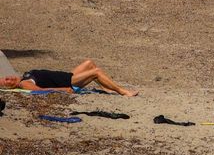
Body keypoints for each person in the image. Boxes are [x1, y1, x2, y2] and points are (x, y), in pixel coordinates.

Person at [1, 59, 138, 97]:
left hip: (67, 76)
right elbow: (40, 91)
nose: (9, 79)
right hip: (67, 82)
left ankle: (105, 88)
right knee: (96, 71)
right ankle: (122, 91)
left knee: (89, 63)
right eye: (7, 82)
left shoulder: (24, 76)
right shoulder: (24, 84)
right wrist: (64, 89)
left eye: (6, 78)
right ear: (10, 87)